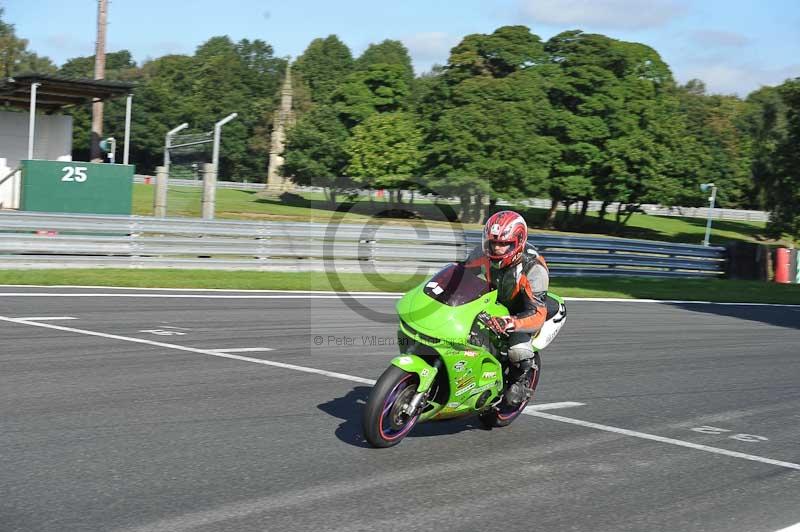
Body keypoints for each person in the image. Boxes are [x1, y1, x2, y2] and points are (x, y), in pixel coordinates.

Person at [464, 210, 554, 406]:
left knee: (517, 350)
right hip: (493, 301)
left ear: (518, 242)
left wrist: (512, 322)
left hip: (522, 311)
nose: (496, 249)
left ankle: (519, 381)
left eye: (504, 244)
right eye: (493, 243)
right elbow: (461, 279)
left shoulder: (534, 268)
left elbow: (538, 313)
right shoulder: (480, 253)